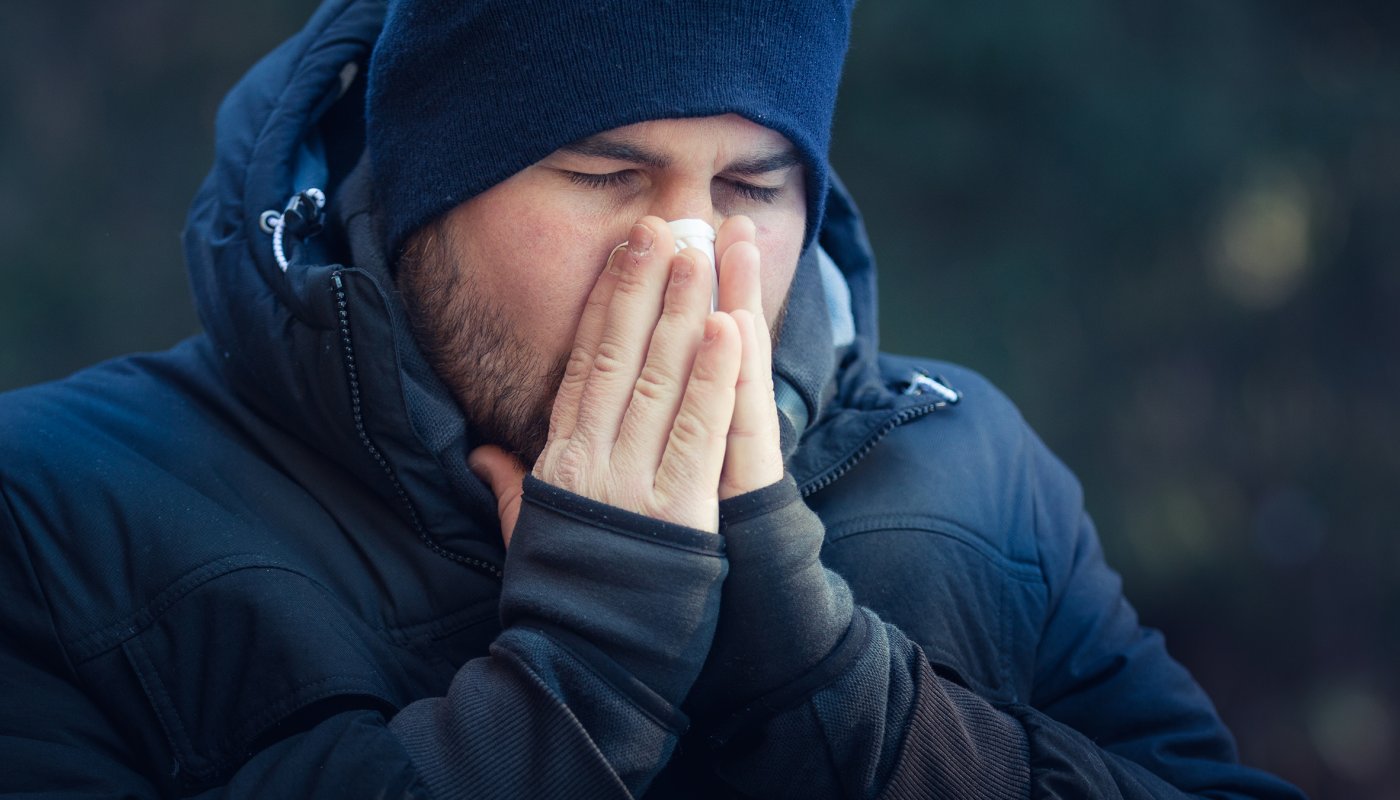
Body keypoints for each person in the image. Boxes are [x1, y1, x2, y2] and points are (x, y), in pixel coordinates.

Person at [0, 0, 1306, 797]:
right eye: (602, 174)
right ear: (414, 198)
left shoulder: (968, 465)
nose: (684, 253)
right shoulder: (59, 505)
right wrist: (579, 679)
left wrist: (843, 694)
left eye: (749, 189)